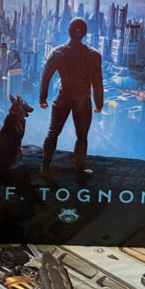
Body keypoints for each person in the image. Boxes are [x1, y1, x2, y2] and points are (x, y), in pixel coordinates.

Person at [39, 17, 103, 176]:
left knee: (53, 133)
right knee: (82, 137)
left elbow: (46, 76)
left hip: (63, 97)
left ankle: (45, 169)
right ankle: (79, 171)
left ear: (69, 31)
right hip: (83, 100)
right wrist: (99, 104)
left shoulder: (57, 52)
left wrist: (43, 98)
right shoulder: (94, 55)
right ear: (85, 33)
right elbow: (97, 82)